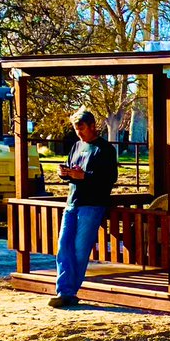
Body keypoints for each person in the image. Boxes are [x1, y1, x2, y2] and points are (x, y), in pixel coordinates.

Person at [50, 110, 118, 307]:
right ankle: (63, 290)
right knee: (63, 246)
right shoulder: (77, 146)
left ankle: (69, 291)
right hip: (72, 202)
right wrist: (65, 173)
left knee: (80, 250)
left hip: (92, 204)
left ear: (92, 126)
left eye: (81, 129)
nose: (78, 133)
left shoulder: (104, 149)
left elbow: (109, 179)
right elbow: (74, 171)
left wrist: (85, 177)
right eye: (76, 129)